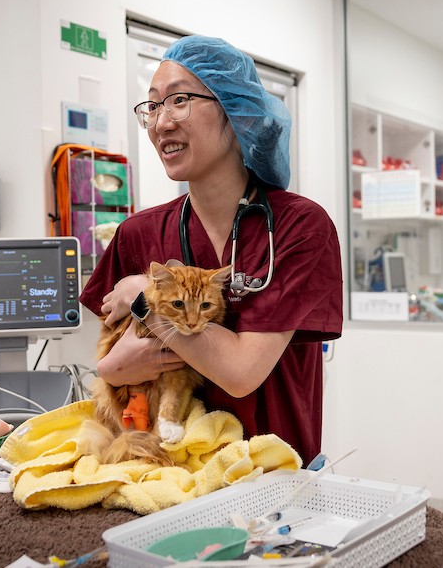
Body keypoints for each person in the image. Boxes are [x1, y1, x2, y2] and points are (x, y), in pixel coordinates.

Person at [79, 35, 343, 466]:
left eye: (178, 100)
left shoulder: (299, 227)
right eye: (152, 106)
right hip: (163, 475)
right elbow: (111, 366)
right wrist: (112, 370)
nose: (161, 123)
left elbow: (240, 373)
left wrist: (146, 297)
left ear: (235, 110)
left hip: (270, 473)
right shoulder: (138, 234)